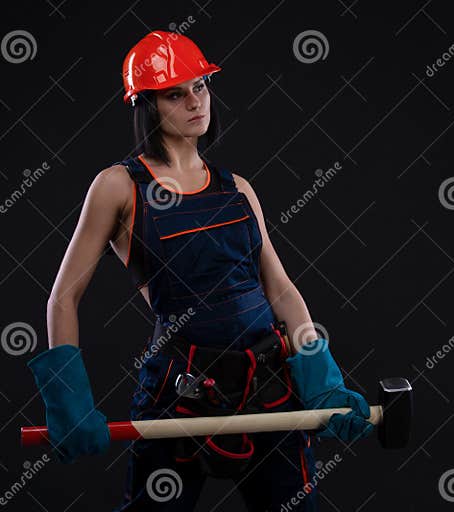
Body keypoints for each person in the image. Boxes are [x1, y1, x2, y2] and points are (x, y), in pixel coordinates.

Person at [25, 30, 373, 511]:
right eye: (175, 93)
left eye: (200, 87)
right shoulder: (118, 186)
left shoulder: (238, 188)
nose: (194, 101)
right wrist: (68, 403)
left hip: (269, 390)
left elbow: (282, 291)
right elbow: (62, 298)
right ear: (147, 105)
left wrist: (323, 380)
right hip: (179, 395)